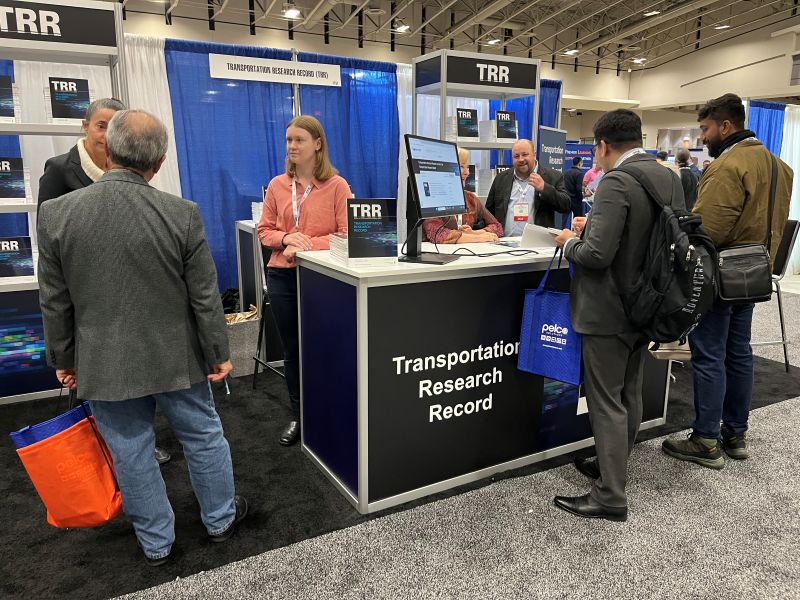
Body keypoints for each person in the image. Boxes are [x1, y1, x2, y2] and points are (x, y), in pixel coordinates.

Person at [37, 110, 247, 566]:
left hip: (102, 359)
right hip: (178, 357)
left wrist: (65, 358)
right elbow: (205, 296)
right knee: (204, 438)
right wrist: (218, 354)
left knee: (130, 453)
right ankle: (220, 520)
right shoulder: (183, 214)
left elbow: (55, 300)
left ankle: (156, 543)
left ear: (107, 150)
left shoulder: (56, 215)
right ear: (161, 160)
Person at [552, 109, 685, 521]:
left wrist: (569, 240)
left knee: (605, 400)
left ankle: (610, 495)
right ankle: (615, 465)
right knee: (629, 390)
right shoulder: (667, 176)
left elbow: (596, 255)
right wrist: (593, 225)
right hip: (646, 305)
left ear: (604, 146)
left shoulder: (616, 181)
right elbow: (647, 238)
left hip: (608, 310)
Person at [37, 98, 172, 467]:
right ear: (85, 126)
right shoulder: (59, 170)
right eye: (100, 125)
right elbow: (50, 243)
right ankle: (108, 450)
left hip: (134, 294)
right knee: (97, 380)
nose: (106, 134)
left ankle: (137, 446)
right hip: (88, 297)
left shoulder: (133, 172)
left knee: (139, 380)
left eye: (114, 126)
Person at [662, 93, 793, 468]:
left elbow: (708, 232)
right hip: (754, 274)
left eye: (704, 129)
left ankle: (705, 439)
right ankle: (735, 434)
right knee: (739, 353)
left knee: (709, 355)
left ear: (725, 125)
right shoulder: (780, 167)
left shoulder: (727, 167)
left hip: (719, 278)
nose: (701, 137)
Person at [257, 115, 351, 446]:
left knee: (325, 348)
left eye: (299, 140)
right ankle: (300, 415)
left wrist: (308, 243)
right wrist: (286, 239)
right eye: (288, 140)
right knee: (294, 351)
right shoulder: (278, 185)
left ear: (317, 144)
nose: (292, 146)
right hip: (283, 276)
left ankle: (329, 411)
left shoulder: (337, 186)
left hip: (323, 280)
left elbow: (347, 233)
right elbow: (264, 230)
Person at [485, 139, 570, 235]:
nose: (521, 159)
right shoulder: (501, 178)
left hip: (537, 245)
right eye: (516, 156)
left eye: (525, 154)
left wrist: (544, 188)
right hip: (504, 244)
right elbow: (488, 212)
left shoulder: (553, 176)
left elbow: (565, 205)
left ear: (534, 155)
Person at [423, 147, 502, 244]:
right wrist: (479, 238)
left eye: (467, 167)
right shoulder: (432, 199)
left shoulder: (470, 198)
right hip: (438, 256)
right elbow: (439, 235)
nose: (467, 172)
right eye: (461, 167)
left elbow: (497, 227)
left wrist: (475, 233)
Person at [563, 156, 585, 222]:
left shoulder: (566, 173)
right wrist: (581, 197)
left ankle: (561, 231)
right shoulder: (579, 174)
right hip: (575, 201)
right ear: (580, 163)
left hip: (566, 199)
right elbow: (578, 189)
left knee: (563, 220)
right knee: (578, 221)